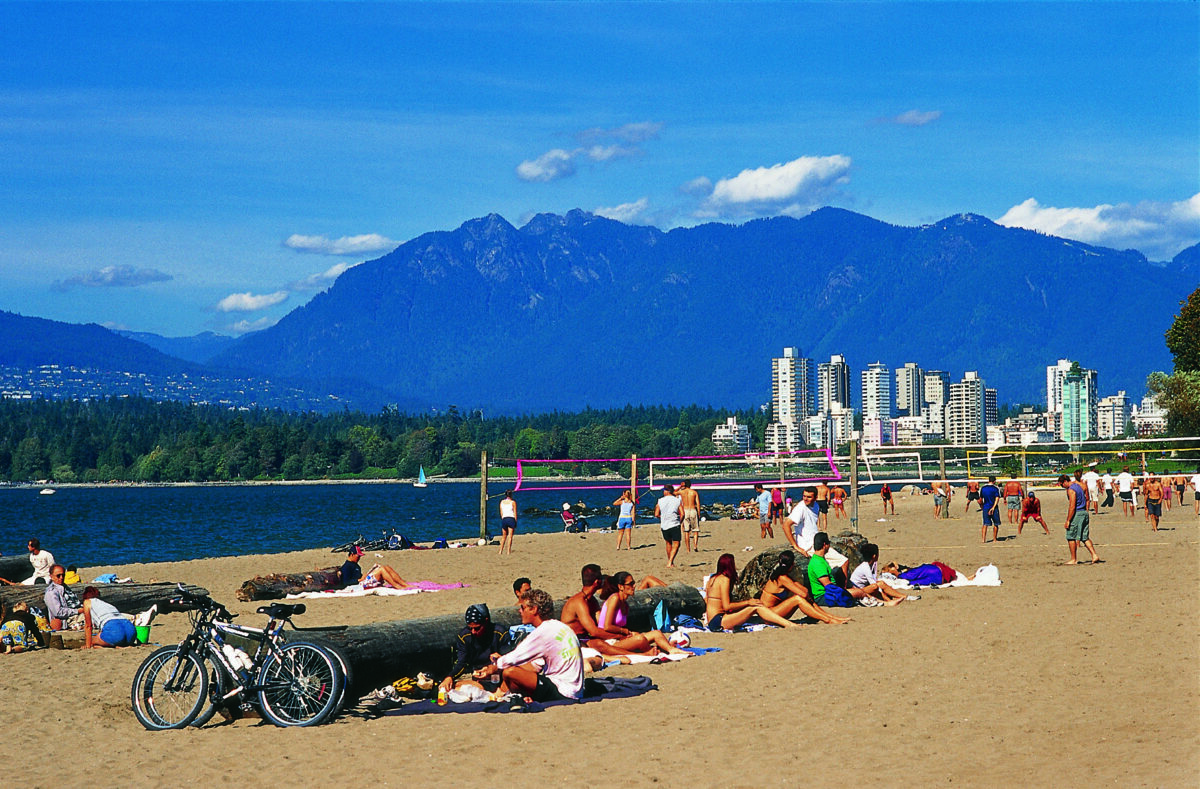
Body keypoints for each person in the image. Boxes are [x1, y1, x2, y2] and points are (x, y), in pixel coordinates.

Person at [475, 589, 583, 702]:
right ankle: (503, 693)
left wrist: (494, 667)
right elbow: (535, 666)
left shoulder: (543, 631)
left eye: (523, 607)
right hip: (574, 690)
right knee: (514, 669)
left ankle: (509, 696)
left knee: (509, 672)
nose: (519, 611)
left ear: (534, 609)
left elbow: (514, 658)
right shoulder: (558, 627)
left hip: (563, 690)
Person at [595, 572, 688, 656]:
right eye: (630, 584)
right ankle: (656, 651)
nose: (634, 586)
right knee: (640, 639)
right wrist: (628, 632)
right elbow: (607, 626)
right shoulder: (614, 599)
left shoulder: (625, 604)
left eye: (633, 583)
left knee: (656, 633)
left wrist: (627, 634)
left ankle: (670, 649)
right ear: (621, 587)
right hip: (609, 642)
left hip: (620, 638)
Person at [704, 553, 800, 630]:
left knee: (753, 609)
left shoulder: (712, 579)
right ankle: (789, 624)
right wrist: (748, 602)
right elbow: (727, 606)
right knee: (756, 607)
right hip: (718, 620)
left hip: (712, 619)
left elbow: (707, 600)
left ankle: (785, 623)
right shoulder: (724, 580)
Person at [757, 551, 850, 624]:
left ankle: (829, 617)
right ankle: (827, 619)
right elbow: (803, 593)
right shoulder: (782, 578)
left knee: (802, 598)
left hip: (774, 612)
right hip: (768, 614)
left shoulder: (784, 576)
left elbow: (805, 592)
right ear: (792, 565)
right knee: (798, 599)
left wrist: (797, 584)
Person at [784, 487, 850, 581]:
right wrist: (795, 546)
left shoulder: (816, 506)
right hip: (808, 544)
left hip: (816, 540)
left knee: (830, 567)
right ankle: (843, 591)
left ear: (815, 498)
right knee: (844, 561)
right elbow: (786, 525)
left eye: (809, 497)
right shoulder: (800, 508)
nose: (805, 499)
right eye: (804, 496)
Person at [439, 604, 503, 695]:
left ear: (486, 622)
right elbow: (462, 663)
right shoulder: (465, 636)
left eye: (477, 628)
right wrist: (450, 677)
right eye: (470, 628)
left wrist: (491, 669)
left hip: (498, 675)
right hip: (478, 677)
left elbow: (508, 658)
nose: (473, 632)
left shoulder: (499, 633)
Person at [1058, 474, 1100, 565]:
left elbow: (1072, 506)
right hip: (1084, 512)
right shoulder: (1078, 486)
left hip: (1078, 513)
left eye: (1061, 485)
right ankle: (1094, 555)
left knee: (1071, 536)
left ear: (1065, 482)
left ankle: (1073, 559)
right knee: (1084, 537)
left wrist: (1068, 520)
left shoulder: (1071, 489)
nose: (1062, 487)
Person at [337, 546, 410, 590]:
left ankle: (404, 584)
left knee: (386, 567)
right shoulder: (346, 566)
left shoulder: (355, 565)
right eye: (358, 556)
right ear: (352, 554)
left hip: (363, 581)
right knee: (381, 570)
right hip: (359, 585)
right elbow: (345, 582)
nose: (359, 558)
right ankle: (397, 586)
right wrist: (360, 579)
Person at [44, 564, 84, 629]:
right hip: (68, 620)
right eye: (58, 576)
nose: (61, 577)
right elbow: (58, 612)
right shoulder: (51, 592)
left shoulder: (65, 587)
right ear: (51, 576)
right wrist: (78, 611)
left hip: (77, 614)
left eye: (63, 575)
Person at [654, 484, 682, 568]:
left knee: (668, 543)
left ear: (667, 491)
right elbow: (682, 513)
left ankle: (670, 561)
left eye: (664, 490)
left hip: (664, 525)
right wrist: (680, 520)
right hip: (674, 523)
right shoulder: (677, 500)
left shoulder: (660, 501)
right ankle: (670, 561)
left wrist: (662, 517)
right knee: (676, 543)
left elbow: (656, 514)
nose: (663, 492)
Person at [678, 479, 701, 553]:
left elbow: (672, 492)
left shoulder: (682, 492)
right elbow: (698, 504)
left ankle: (688, 549)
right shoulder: (694, 492)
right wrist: (699, 513)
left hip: (685, 510)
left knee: (686, 531)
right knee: (695, 530)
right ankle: (695, 545)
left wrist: (680, 487)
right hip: (693, 510)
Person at [979, 475, 1002, 543]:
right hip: (993, 508)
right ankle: (994, 539)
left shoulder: (983, 488)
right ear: (994, 481)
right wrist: (993, 508)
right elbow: (997, 499)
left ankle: (983, 539)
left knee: (985, 524)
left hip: (986, 507)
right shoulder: (995, 488)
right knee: (996, 523)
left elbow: (980, 499)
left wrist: (982, 506)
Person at [498, 490, 518, 555]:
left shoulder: (502, 502)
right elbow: (515, 512)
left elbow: (501, 512)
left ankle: (500, 551)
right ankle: (508, 551)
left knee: (503, 536)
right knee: (510, 536)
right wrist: (515, 521)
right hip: (511, 518)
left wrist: (503, 519)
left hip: (504, 519)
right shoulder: (513, 502)